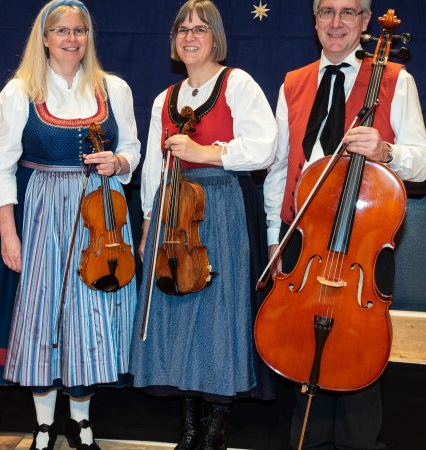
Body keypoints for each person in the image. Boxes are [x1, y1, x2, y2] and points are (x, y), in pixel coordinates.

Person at [262, 0, 426, 449]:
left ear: (364, 22)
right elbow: (280, 168)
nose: (336, 23)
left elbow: (422, 162)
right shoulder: (293, 83)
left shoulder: (396, 79)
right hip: (302, 235)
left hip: (362, 239)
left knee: (357, 351)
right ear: (314, 20)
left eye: (349, 12)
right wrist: (272, 239)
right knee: (301, 347)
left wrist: (385, 152)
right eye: (326, 12)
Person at [0, 1, 141, 449]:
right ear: (44, 38)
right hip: (44, 212)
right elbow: (1, 169)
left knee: (91, 315)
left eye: (80, 31)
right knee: (43, 315)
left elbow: (132, 146)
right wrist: (8, 233)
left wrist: (120, 161)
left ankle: (83, 422)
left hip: (101, 217)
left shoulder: (114, 88)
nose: (72, 39)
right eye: (62, 31)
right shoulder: (19, 93)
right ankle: (45, 424)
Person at [129, 1, 277, 449]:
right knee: (175, 314)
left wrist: (207, 152)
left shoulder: (238, 84)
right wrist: (148, 222)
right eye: (182, 30)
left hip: (221, 208)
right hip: (172, 212)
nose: (190, 37)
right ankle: (189, 430)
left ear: (216, 38)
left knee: (218, 317)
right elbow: (154, 166)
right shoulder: (164, 99)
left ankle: (213, 433)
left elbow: (264, 149)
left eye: (200, 29)